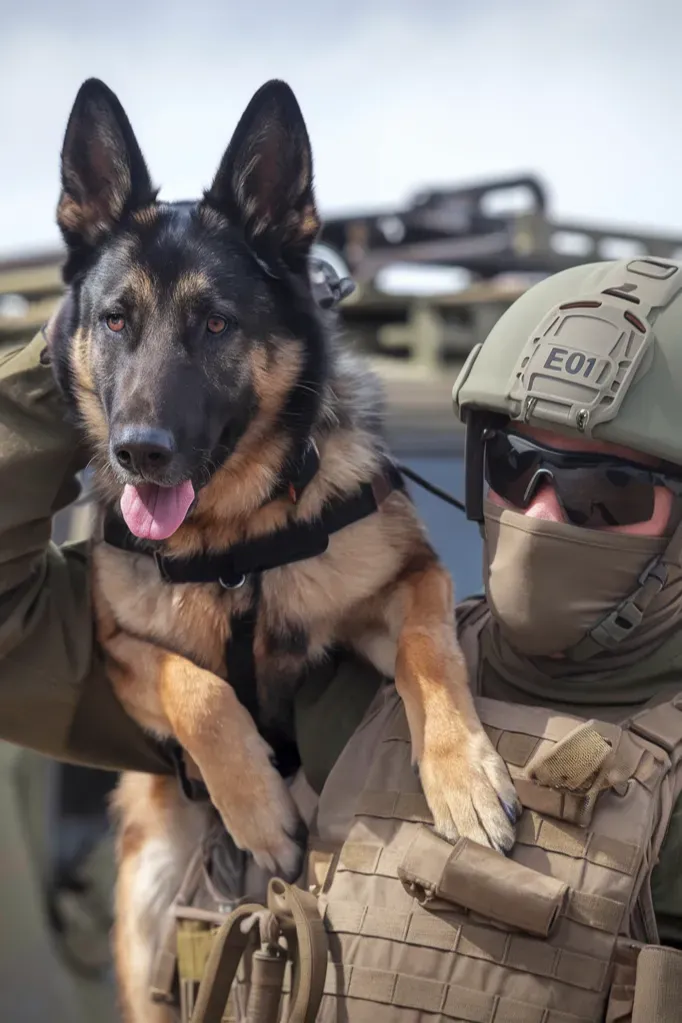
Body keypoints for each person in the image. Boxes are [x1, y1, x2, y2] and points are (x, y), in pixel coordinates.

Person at [3, 254, 682, 1021]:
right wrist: (75, 339)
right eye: (513, 465)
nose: (544, 514)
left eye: (606, 493)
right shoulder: (345, 685)